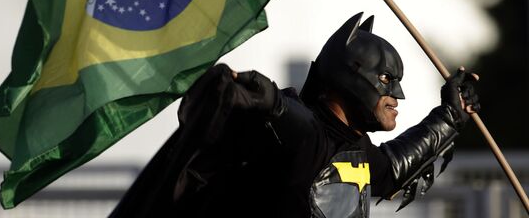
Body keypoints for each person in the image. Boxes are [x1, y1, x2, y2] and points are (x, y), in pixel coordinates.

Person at [109, 12, 480, 218]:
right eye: (386, 79)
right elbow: (293, 124)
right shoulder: (306, 137)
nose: (395, 94)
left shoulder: (355, 150)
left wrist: (450, 115)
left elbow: (394, 169)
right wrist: (266, 99)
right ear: (349, 74)